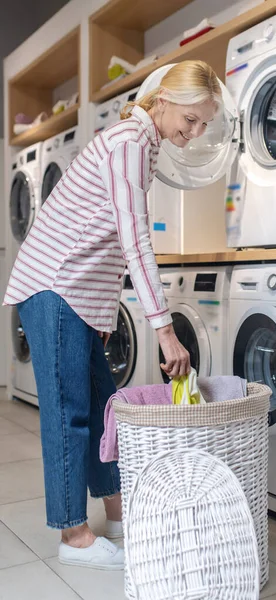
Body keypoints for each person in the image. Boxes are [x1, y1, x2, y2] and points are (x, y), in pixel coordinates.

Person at [3, 60, 222, 569]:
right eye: (190, 119)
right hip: (54, 286)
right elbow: (134, 240)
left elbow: (107, 245)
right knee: (69, 413)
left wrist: (103, 315)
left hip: (78, 293)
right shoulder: (128, 141)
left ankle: (119, 513)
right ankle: (73, 536)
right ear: (163, 99)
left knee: (105, 405)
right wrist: (165, 331)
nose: (193, 133)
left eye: (204, 124)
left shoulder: (143, 147)